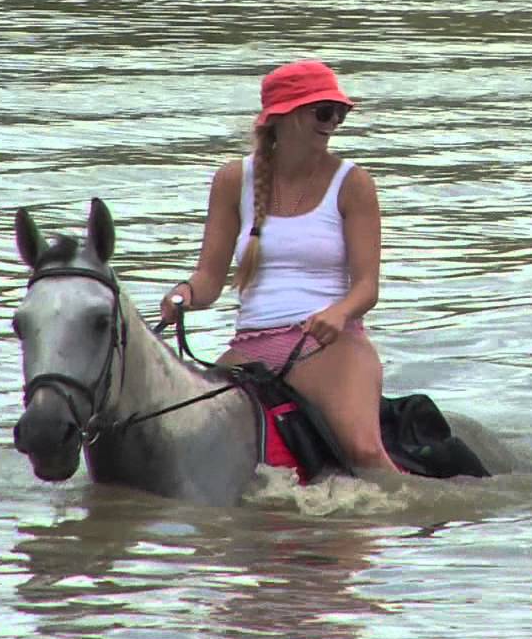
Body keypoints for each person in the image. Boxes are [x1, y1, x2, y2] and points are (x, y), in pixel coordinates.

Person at [159, 59, 399, 475]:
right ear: (284, 117)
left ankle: (405, 508)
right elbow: (209, 280)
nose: (333, 123)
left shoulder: (353, 184)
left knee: (363, 451)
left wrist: (339, 312)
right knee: (182, 439)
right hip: (251, 346)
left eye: (339, 113)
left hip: (329, 344)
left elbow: (366, 287)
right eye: (323, 112)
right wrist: (184, 294)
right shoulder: (232, 181)